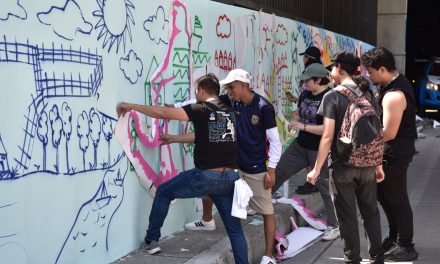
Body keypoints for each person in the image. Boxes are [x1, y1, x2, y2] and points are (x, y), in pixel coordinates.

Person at [116, 74, 249, 264]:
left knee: (164, 191)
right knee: (235, 231)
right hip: (229, 179)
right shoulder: (227, 111)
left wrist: (131, 106)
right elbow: (206, 136)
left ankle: (151, 239)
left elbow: (163, 113)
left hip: (207, 176)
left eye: (196, 91)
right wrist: (175, 139)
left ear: (201, 91)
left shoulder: (201, 108)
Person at [177, 69, 281, 264]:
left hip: (256, 167)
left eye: (232, 87)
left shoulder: (263, 107)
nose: (229, 91)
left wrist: (271, 169)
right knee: (209, 178)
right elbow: (204, 103)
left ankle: (268, 256)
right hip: (233, 166)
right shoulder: (230, 100)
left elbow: (275, 141)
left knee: (266, 211)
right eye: (227, 88)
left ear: (244, 85)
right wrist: (176, 107)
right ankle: (207, 219)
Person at [307, 52, 385, 264]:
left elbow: (327, 136)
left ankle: (352, 260)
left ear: (340, 68)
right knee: (371, 213)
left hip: (343, 165)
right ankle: (377, 258)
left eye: (332, 68)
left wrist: (316, 168)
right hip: (368, 163)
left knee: (347, 216)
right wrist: (378, 164)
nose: (330, 73)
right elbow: (376, 131)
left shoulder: (332, 96)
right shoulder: (367, 94)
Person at [361, 47, 418, 261]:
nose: (369, 76)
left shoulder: (394, 95)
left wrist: (359, 142)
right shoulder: (390, 85)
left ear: (383, 69)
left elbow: (388, 133)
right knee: (385, 197)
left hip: (394, 155)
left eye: (371, 71)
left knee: (397, 199)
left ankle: (406, 246)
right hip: (388, 154)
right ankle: (395, 238)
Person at [273, 63, 339, 240]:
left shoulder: (330, 97)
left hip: (319, 148)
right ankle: (260, 204)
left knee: (324, 186)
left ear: (318, 80)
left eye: (307, 81)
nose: (304, 85)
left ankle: (334, 225)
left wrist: (304, 126)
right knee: (279, 171)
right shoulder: (305, 94)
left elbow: (327, 128)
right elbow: (298, 112)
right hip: (300, 144)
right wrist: (295, 120)